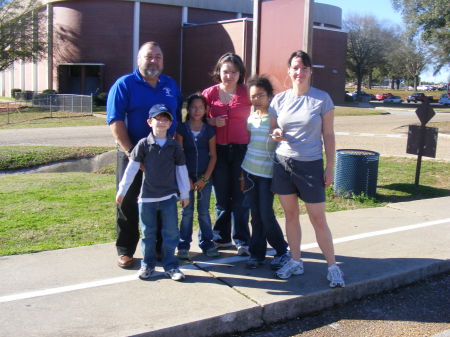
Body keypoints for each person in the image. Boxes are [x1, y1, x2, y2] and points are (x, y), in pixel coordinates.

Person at [269, 50, 345, 288]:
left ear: (310, 71)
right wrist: (277, 134)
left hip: (311, 165)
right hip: (283, 163)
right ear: (289, 71)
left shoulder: (322, 99)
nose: (299, 72)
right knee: (291, 216)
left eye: (303, 68)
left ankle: (332, 266)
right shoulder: (279, 100)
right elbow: (273, 130)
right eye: (295, 67)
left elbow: (329, 135)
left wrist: (330, 166)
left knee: (318, 219)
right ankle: (295, 260)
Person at [106, 41, 182, 268]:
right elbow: (115, 121)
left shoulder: (170, 84)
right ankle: (126, 250)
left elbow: (176, 117)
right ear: (139, 60)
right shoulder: (124, 84)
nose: (154, 61)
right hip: (132, 154)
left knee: (161, 200)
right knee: (128, 201)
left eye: (158, 57)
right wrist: (132, 154)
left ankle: (159, 249)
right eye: (149, 57)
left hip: (163, 156)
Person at [115, 104, 189, 281]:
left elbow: (181, 171)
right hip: (147, 199)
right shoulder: (142, 145)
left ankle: (171, 266)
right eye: (158, 119)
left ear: (171, 123)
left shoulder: (174, 146)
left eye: (166, 119)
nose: (162, 122)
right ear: (150, 122)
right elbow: (132, 169)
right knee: (148, 234)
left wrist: (184, 193)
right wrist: (122, 191)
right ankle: (147, 265)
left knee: (170, 233)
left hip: (169, 198)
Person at [202, 52, 251, 256]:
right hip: (218, 152)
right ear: (218, 72)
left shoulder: (247, 92)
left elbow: (263, 112)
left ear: (240, 74)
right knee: (221, 196)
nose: (229, 76)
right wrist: (211, 122)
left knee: (240, 196)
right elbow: (196, 118)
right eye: (225, 71)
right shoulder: (209, 94)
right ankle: (221, 238)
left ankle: (242, 240)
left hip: (242, 151)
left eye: (233, 72)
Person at [241, 75, 290, 270]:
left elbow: (283, 139)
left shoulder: (275, 116)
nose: (256, 99)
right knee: (255, 215)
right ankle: (257, 254)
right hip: (249, 172)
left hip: (267, 174)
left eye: (260, 95)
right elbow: (249, 143)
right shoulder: (251, 116)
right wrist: (240, 175)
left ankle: (281, 250)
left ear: (269, 96)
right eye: (253, 96)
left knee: (266, 215)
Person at [176, 93, 220, 259]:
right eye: (193, 107)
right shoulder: (181, 129)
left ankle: (207, 243)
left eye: (200, 107)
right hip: (185, 177)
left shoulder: (209, 130)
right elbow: (179, 155)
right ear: (188, 109)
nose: (197, 110)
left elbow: (213, 156)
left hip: (204, 178)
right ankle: (183, 245)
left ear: (206, 109)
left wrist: (204, 178)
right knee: (186, 212)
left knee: (203, 212)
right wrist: (185, 177)